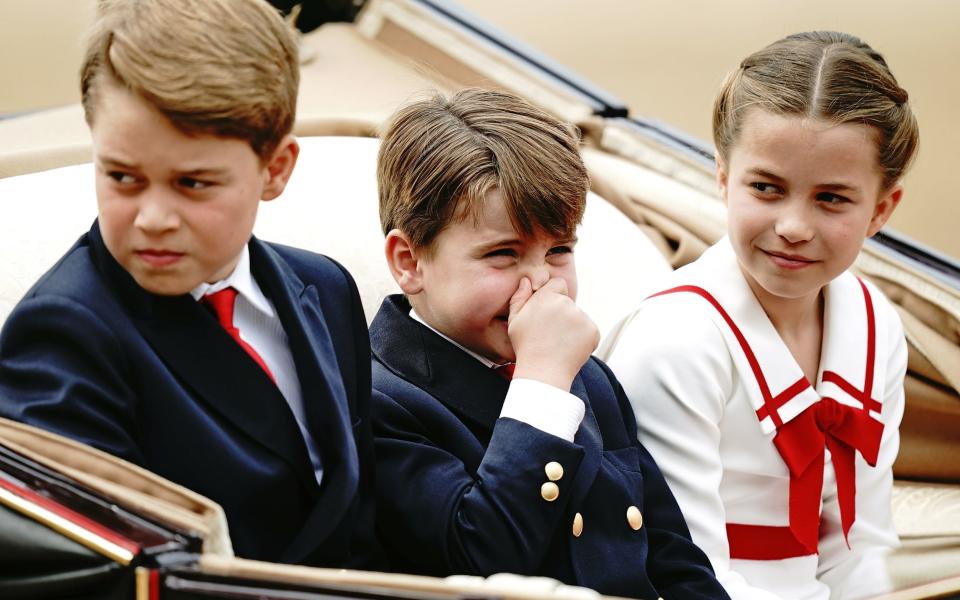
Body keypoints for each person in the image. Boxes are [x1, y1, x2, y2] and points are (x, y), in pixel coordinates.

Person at [0, 0, 382, 568]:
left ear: (275, 169)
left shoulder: (324, 288)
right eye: (123, 176)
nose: (153, 217)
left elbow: (359, 513)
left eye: (193, 183)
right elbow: (90, 575)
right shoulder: (63, 337)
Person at [370, 88, 729, 599]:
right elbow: (478, 558)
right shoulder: (377, 400)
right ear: (409, 261)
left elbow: (671, 554)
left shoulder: (586, 375)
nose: (540, 282)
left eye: (559, 249)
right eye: (502, 254)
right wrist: (541, 382)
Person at [604, 31, 919, 599]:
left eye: (832, 198)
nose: (794, 226)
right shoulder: (676, 341)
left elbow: (863, 543)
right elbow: (681, 571)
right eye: (767, 188)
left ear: (882, 208)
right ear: (723, 176)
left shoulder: (877, 325)